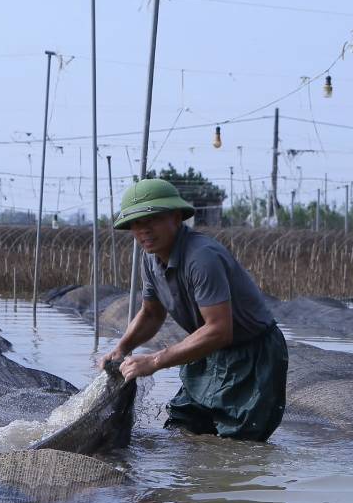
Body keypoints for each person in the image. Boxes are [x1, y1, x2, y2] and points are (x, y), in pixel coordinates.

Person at [99, 178, 287, 442]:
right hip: (207, 351)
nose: (143, 231)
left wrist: (154, 361)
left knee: (238, 445)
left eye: (151, 220)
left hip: (252, 354)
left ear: (176, 218)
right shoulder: (150, 259)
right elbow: (152, 313)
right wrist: (122, 348)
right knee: (183, 427)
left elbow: (220, 330)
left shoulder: (201, 257)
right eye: (136, 224)